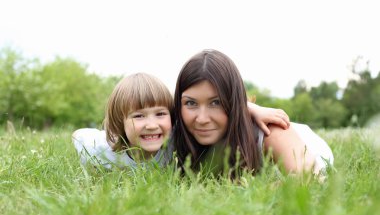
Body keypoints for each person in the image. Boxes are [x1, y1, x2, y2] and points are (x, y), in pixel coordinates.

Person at [72, 72, 290, 170]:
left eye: (160, 114)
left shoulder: (177, 137)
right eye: (138, 116)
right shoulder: (100, 150)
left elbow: (215, 103)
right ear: (120, 121)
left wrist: (250, 107)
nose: (151, 124)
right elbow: (78, 135)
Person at [172, 49, 334, 176]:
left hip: (304, 146)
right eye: (191, 103)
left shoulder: (270, 130)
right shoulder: (176, 133)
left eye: (216, 102)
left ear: (234, 103)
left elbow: (311, 178)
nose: (202, 119)